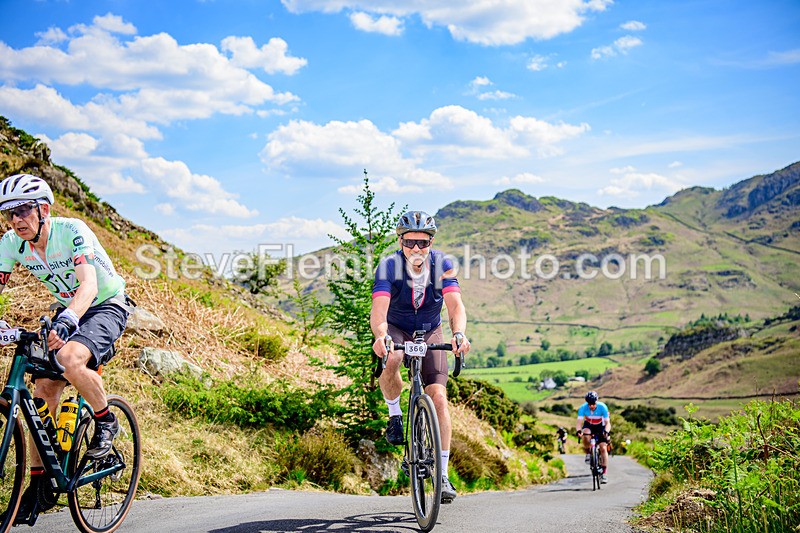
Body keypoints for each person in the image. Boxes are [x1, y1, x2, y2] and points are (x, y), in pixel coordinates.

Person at [0, 174, 131, 524]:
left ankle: (106, 421)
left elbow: (88, 285)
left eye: (23, 210)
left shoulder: (72, 230)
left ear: (43, 209)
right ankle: (40, 483)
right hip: (69, 308)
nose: (16, 220)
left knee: (69, 357)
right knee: (42, 390)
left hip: (104, 303)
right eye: (8, 214)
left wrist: (68, 318)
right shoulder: (11, 243)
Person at [371, 210, 470, 504]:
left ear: (431, 242)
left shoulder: (443, 264)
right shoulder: (388, 265)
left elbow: (455, 306)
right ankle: (395, 414)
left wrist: (460, 334)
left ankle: (442, 474)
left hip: (430, 330)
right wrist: (380, 336)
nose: (416, 249)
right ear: (400, 241)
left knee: (438, 397)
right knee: (391, 359)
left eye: (423, 243)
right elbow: (379, 309)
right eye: (410, 242)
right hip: (397, 328)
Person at [576, 390, 611, 483]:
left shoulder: (602, 407)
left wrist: (606, 432)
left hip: (601, 425)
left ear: (596, 401)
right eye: (589, 404)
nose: (591, 406)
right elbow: (579, 423)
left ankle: (604, 473)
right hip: (589, 424)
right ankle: (588, 452)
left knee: (603, 448)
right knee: (585, 433)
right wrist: (578, 431)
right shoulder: (583, 408)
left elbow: (608, 423)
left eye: (593, 403)